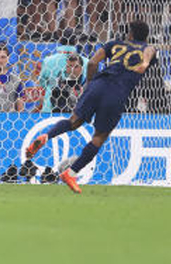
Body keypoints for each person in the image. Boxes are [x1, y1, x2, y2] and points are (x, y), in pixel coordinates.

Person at [27, 19, 157, 194]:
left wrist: (89, 85)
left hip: (98, 85)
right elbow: (148, 54)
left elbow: (92, 63)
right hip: (117, 93)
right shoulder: (147, 49)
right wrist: (145, 63)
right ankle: (71, 173)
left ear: (130, 34)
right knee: (99, 137)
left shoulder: (115, 44)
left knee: (73, 121)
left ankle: (45, 136)